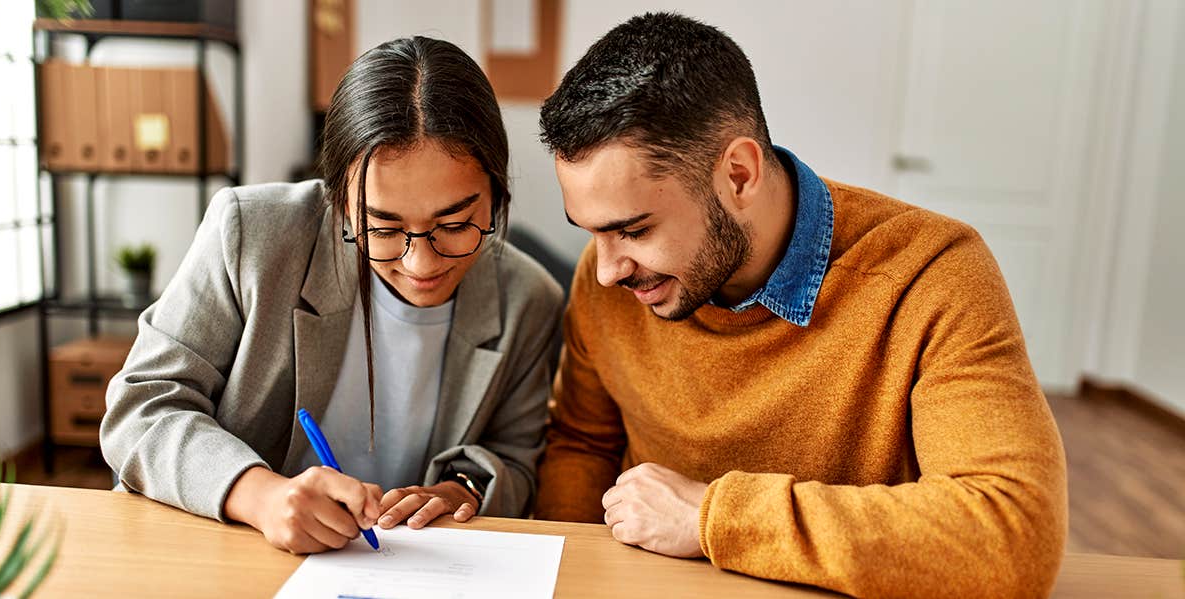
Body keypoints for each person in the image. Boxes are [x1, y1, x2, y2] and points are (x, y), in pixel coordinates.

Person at [534, 12, 1066, 598]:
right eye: (591, 232)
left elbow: (1012, 535)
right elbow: (582, 445)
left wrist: (713, 517)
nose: (606, 269)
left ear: (738, 175)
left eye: (633, 231)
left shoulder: (932, 273)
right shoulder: (612, 279)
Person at [101, 37, 562, 555]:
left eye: (454, 224)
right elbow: (140, 407)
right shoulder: (251, 235)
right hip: (223, 557)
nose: (421, 264)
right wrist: (261, 496)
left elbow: (516, 459)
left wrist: (462, 490)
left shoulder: (529, 299)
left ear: (497, 197)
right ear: (339, 200)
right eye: (382, 228)